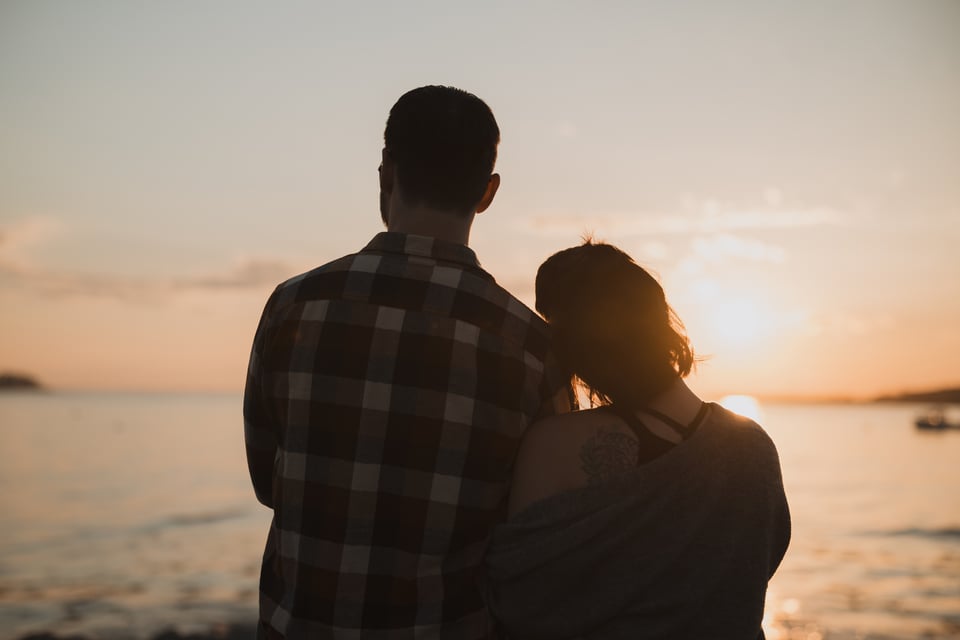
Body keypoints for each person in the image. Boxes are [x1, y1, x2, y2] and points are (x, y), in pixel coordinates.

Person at [243, 85, 574, 639]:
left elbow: (266, 481)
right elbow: (535, 531)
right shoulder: (534, 349)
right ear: (488, 192)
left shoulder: (293, 306)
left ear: (386, 173)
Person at [483, 241, 791, 639]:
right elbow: (756, 568)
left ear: (575, 344)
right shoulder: (754, 445)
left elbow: (518, 600)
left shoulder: (555, 443)